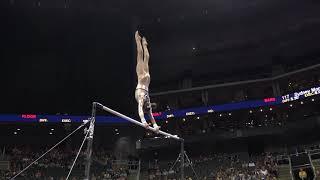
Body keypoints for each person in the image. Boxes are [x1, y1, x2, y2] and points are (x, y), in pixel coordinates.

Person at [134, 31, 160, 132]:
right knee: (147, 58)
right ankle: (144, 44)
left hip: (141, 78)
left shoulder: (141, 101)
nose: (149, 103)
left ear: (146, 106)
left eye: (148, 105)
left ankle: (137, 39)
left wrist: (143, 121)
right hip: (147, 81)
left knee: (140, 54)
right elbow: (152, 117)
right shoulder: (148, 107)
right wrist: (155, 126)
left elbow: (140, 110)